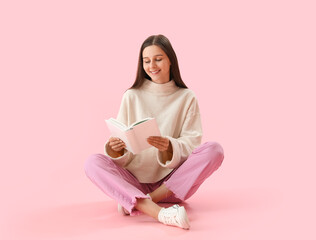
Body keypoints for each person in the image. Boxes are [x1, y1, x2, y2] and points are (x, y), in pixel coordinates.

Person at [84, 34, 224, 230]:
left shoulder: (186, 97)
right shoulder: (132, 96)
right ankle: (158, 212)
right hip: (134, 182)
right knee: (92, 162)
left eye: (158, 59)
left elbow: (192, 144)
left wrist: (169, 146)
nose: (152, 66)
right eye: (146, 61)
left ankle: (140, 201)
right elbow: (123, 138)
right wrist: (116, 149)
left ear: (170, 60)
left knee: (214, 150)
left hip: (171, 186)